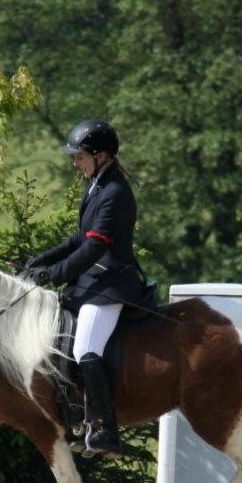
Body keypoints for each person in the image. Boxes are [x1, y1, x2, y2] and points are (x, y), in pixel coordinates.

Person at [24, 119, 149, 459]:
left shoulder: (115, 194)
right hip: (93, 281)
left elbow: (93, 248)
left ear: (102, 155)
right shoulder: (96, 186)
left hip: (111, 284)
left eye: (80, 156)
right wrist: (39, 261)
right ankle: (79, 417)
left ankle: (106, 429)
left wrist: (53, 274)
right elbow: (78, 238)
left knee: (85, 351)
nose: (75, 163)